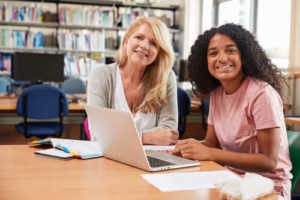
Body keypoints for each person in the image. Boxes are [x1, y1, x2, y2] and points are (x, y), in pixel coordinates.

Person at [173, 23, 292, 199]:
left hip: (268, 187)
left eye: (230, 50)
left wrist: (210, 153)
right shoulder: (216, 93)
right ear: (205, 61)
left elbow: (268, 161)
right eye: (213, 53)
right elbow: (212, 144)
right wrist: (192, 146)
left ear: (244, 57)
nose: (221, 58)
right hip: (230, 180)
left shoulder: (262, 94)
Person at [87, 16, 179, 145]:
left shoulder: (166, 77)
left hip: (154, 160)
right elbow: (99, 135)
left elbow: (169, 133)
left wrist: (119, 136)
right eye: (139, 37)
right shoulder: (101, 75)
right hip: (111, 160)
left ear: (159, 52)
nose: (144, 46)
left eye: (154, 43)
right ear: (126, 41)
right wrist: (148, 137)